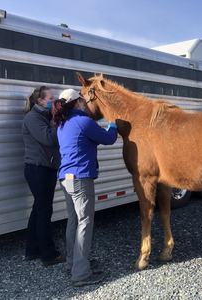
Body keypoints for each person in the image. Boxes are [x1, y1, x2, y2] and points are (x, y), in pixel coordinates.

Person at [53, 89, 117, 287]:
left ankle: (74, 263)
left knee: (74, 221)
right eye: (82, 100)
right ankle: (80, 274)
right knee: (85, 223)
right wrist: (113, 123)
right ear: (78, 102)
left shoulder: (62, 124)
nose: (84, 103)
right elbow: (108, 138)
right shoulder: (83, 121)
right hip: (81, 179)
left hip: (65, 178)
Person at [22, 86, 65, 266]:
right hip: (38, 169)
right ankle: (48, 254)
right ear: (40, 101)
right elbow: (48, 138)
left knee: (38, 209)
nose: (53, 101)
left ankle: (32, 249)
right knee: (44, 211)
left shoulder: (43, 116)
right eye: (50, 98)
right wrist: (56, 121)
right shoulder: (32, 118)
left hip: (45, 168)